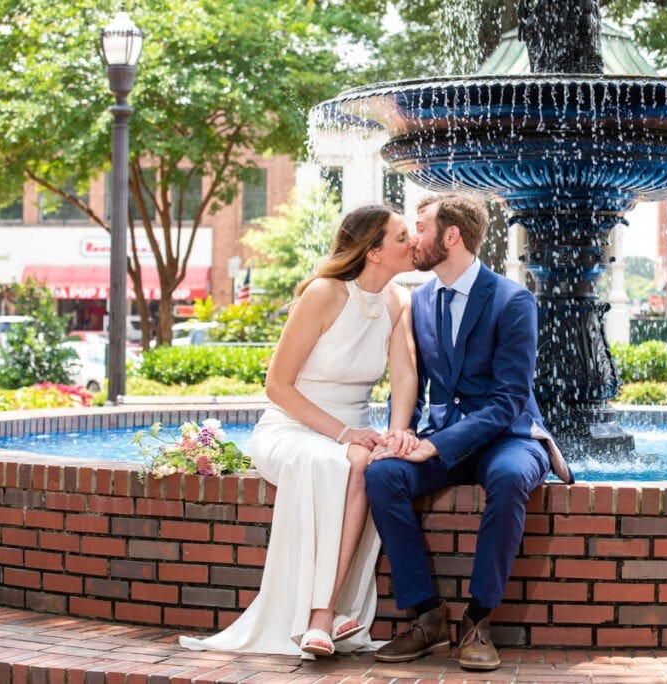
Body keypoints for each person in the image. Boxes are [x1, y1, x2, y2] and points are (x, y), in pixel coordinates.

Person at [179, 204, 419, 659]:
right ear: (373, 251)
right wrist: (345, 432)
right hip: (293, 426)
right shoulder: (324, 293)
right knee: (346, 461)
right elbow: (277, 386)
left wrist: (398, 434)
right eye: (403, 237)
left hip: (352, 433)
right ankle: (324, 616)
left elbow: (405, 376)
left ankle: (327, 613)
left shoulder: (398, 299)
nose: (414, 244)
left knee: (368, 461)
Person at [365, 193, 573, 672]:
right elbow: (413, 381)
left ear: (450, 236)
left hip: (510, 437)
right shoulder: (419, 301)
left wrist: (435, 445)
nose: (413, 238)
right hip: (445, 437)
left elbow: (508, 401)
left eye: (421, 227)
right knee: (382, 477)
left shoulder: (512, 301)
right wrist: (404, 435)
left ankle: (477, 620)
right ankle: (427, 615)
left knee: (509, 477)